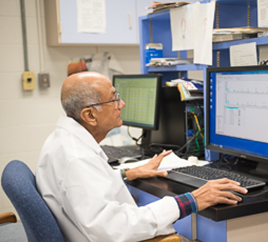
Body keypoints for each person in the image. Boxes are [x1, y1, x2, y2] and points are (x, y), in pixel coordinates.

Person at [35, 72, 248, 242]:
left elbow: (86, 190)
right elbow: (114, 229)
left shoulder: (62, 141)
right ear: (90, 115)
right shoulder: (77, 159)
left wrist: (127, 174)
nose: (122, 104)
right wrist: (191, 200)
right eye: (114, 98)